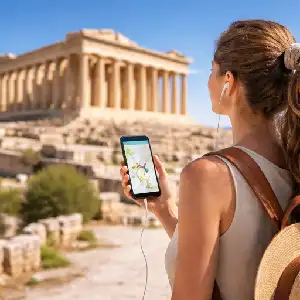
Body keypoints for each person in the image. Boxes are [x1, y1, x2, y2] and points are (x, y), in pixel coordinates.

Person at [120, 19, 300, 300]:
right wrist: (166, 210)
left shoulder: (208, 175)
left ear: (229, 81)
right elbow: (230, 258)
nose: (206, 82)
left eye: (211, 71)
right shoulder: (295, 160)